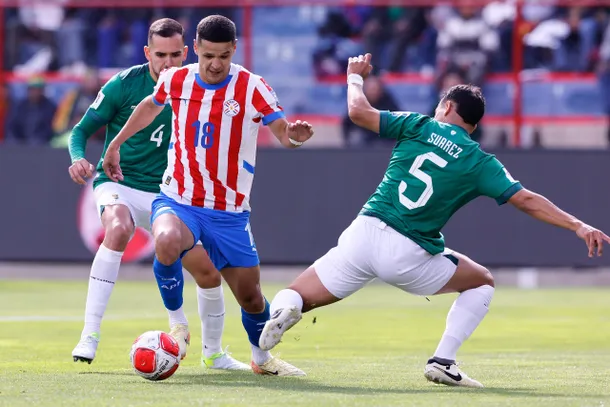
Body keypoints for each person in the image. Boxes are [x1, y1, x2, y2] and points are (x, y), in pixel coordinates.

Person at [258, 53, 610, 388]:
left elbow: (358, 112)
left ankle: (286, 310)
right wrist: (578, 225)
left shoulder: (418, 124)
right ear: (473, 124)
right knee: (482, 281)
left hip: (363, 233)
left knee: (297, 293)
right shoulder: (479, 161)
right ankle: (443, 361)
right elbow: (526, 200)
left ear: (448, 107)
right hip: (407, 254)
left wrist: (353, 78)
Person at [102, 15, 313, 376]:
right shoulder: (176, 79)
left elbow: (283, 133)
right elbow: (150, 105)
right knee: (166, 239)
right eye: (209, 55)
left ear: (234, 50)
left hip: (229, 211)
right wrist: (115, 145)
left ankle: (262, 360)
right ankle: (178, 326)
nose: (216, 64)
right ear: (195, 48)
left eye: (224, 56)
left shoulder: (252, 87)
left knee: (251, 297)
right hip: (178, 198)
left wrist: (295, 137)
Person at [69, 18, 249, 371]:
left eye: (175, 55)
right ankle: (90, 334)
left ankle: (214, 354)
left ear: (186, 52)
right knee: (118, 228)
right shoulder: (123, 84)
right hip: (119, 182)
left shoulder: (198, 85)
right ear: (147, 52)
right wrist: (77, 158)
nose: (168, 62)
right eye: (160, 55)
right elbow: (80, 131)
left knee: (208, 273)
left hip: (168, 194)